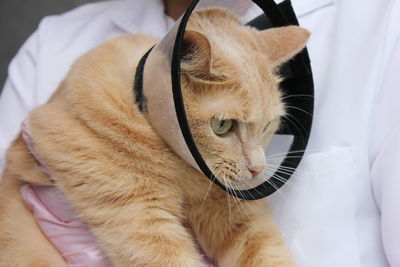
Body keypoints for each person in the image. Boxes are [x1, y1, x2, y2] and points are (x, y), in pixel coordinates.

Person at [1, 0, 399, 266]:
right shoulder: (54, 41)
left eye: (264, 128)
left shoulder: (382, 22)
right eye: (226, 124)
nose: (257, 165)